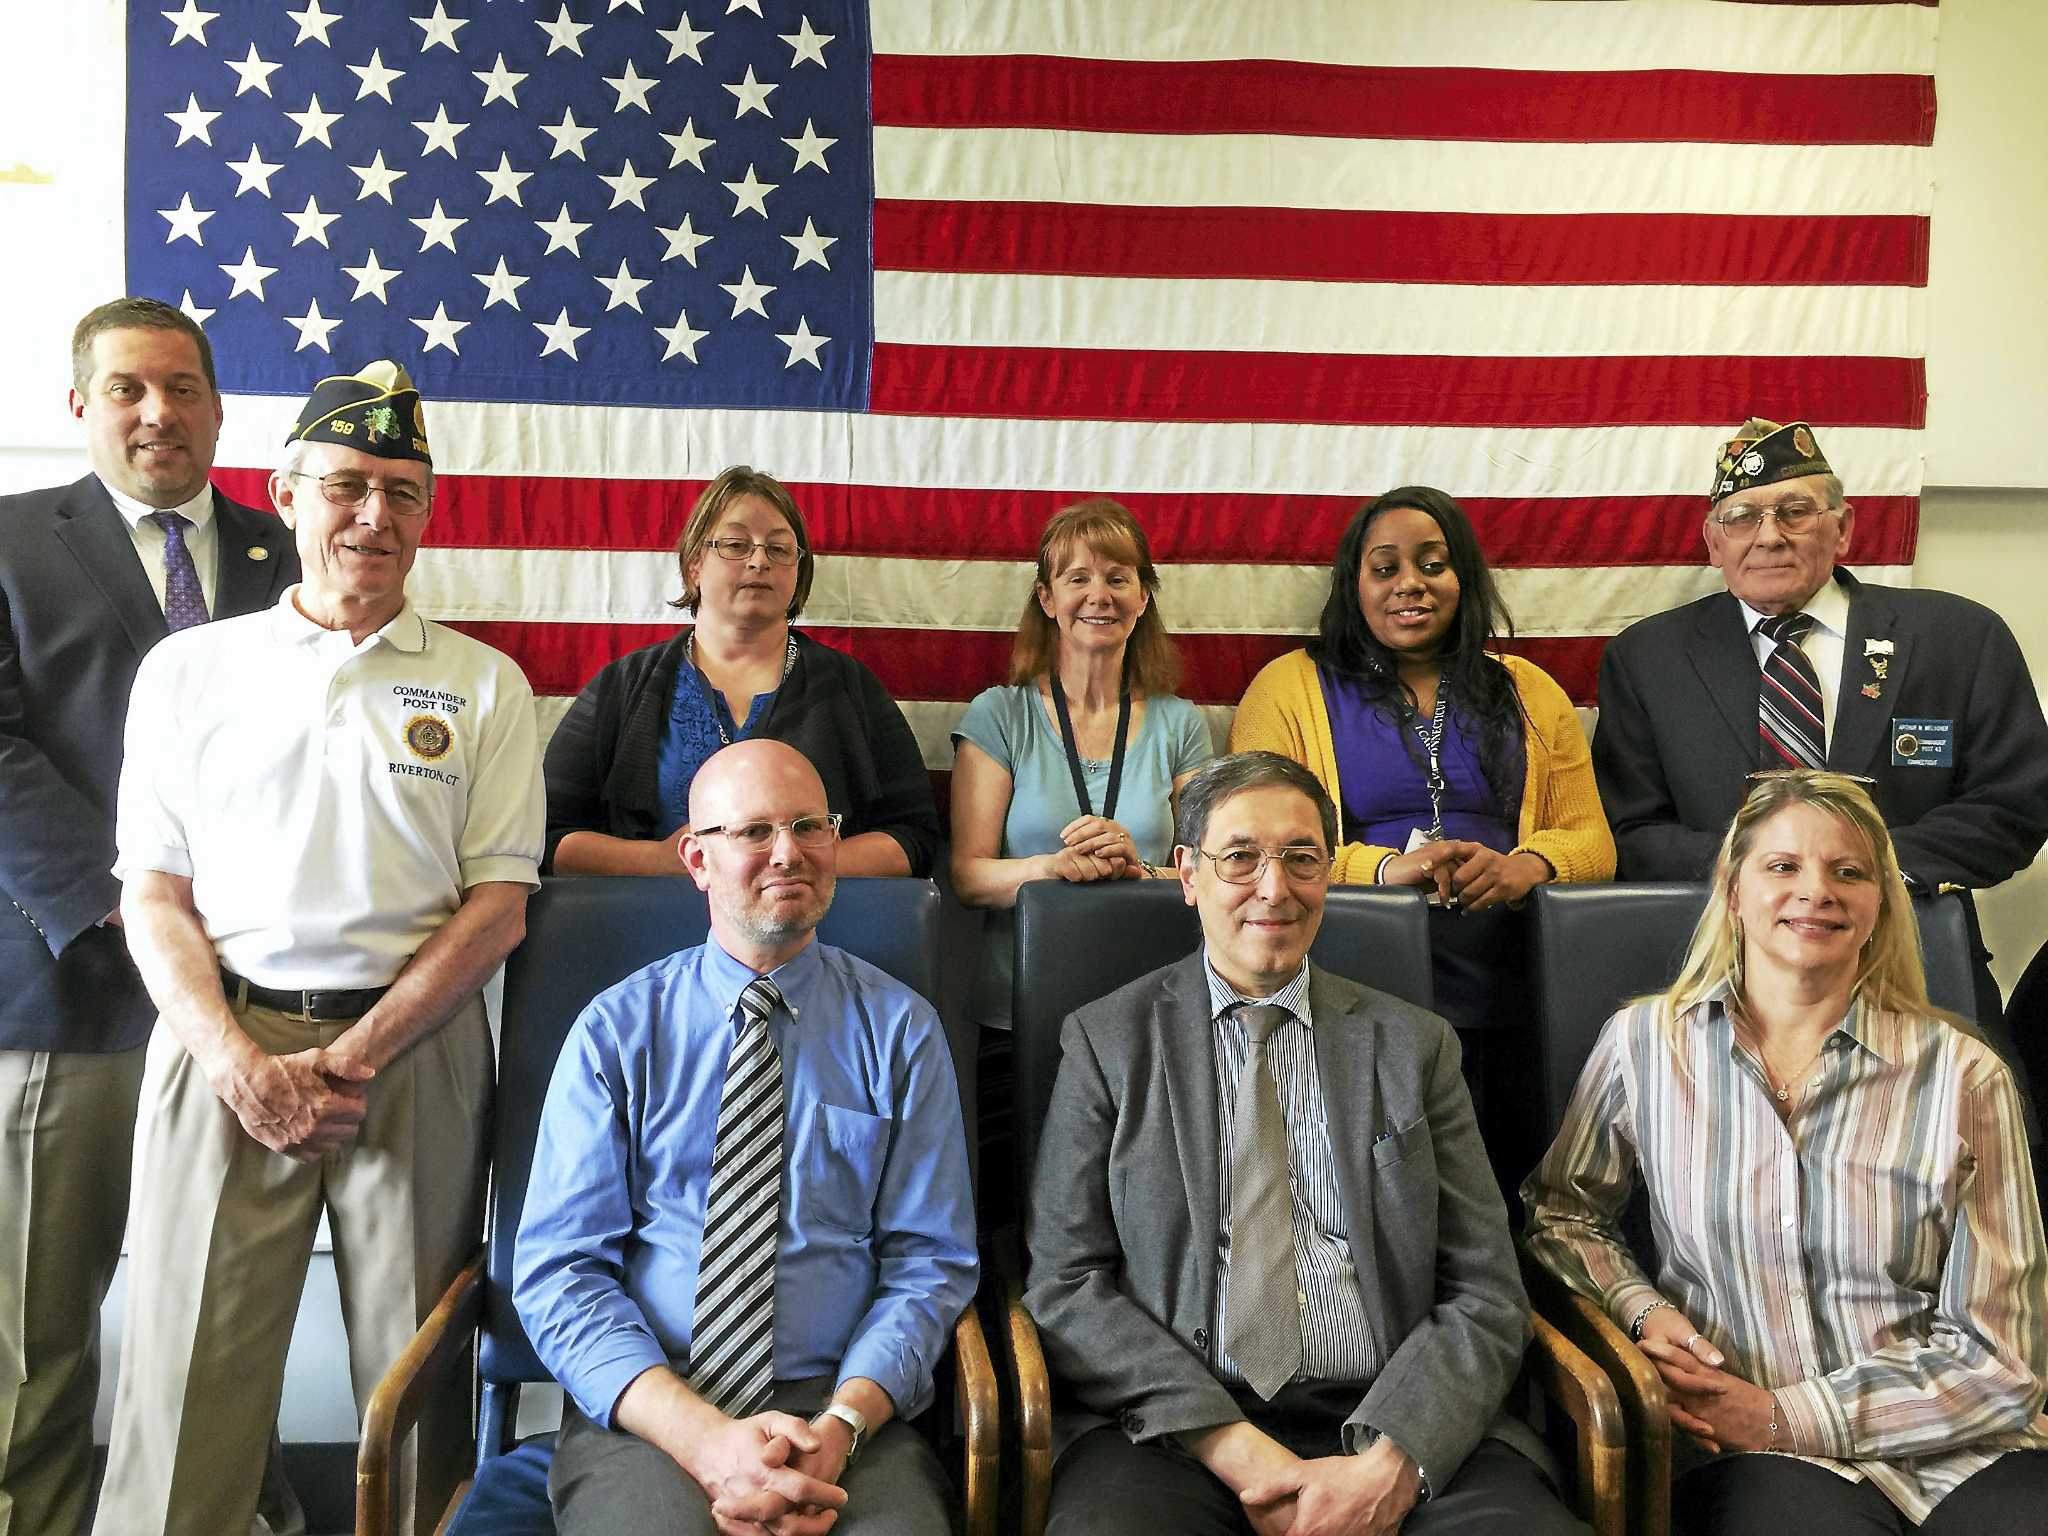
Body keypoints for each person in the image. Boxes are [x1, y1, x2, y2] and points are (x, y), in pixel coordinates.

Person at [95, 361, 544, 1536]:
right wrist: (243, 1065)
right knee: (182, 1380)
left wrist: (350, 1058)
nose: (374, 517)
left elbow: (497, 906)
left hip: (415, 1051)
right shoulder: (190, 671)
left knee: (417, 1385)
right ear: (284, 495)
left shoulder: (485, 686)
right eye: (346, 486)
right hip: (221, 1043)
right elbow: (154, 897)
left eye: (403, 492)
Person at [1026, 751, 1587, 1536]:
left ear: (1330, 872)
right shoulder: (1108, 1042)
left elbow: (1485, 1288)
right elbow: (1066, 1282)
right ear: (1188, 874)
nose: (1273, 887)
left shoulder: (1414, 1046)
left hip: (1399, 1411)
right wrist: (1233, 1446)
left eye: (1300, 858)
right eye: (1240, 858)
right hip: (1173, 1431)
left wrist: (1389, 1463)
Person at [1524, 771, 2048, 1536]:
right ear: (1733, 893)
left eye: (1848, 872)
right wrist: (1641, 1311)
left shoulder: (1967, 1075)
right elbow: (1561, 1213)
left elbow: (2006, 1360)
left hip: (1958, 1442)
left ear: (1879, 904)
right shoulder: (1644, 1045)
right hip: (1745, 1457)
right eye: (1783, 867)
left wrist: (1784, 1416)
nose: (1818, 891)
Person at [0, 296, 298, 1536]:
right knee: (36, 1332)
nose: (156, 412)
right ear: (80, 408)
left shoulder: (292, 557)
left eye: (180, 388)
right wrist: (130, 908)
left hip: (251, 1004)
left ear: (219, 407)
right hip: (72, 991)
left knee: (225, 1325)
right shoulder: (12, 542)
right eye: (126, 389)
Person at [516, 739, 977, 1535]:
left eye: (810, 826)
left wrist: (841, 1428)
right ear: (696, 859)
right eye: (755, 832)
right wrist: (707, 1442)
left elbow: (929, 1263)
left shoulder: (902, 1031)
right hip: (655, 1406)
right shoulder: (617, 1032)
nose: (788, 853)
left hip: (838, 1407)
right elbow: (560, 1272)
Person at [1591, 418, 2048, 1030]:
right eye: (1742, 517)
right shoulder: (1648, 658)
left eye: (1794, 512)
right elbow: (1630, 831)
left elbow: (2015, 803)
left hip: (1916, 968)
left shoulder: (1958, 639)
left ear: (1844, 529)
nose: (1769, 537)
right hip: (1720, 979)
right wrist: (1769, 877)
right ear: (1712, 543)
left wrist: (1861, 872)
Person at [1230, 487, 1613, 1172]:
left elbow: (1593, 840)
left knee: (1504, 1175)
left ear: (1463, 579)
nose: (1410, 583)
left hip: (1511, 974)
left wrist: (1524, 867)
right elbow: (1258, 847)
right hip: (1356, 970)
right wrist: (1383, 873)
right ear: (1355, 584)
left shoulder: (1528, 689)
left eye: (1432, 565)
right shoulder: (1289, 687)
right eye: (1385, 568)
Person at [949, 497, 1212, 1218]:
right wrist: (1050, 870)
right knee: (1019, 1213)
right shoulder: (998, 715)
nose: (1099, 594)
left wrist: (1141, 870)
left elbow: (1210, 871)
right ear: (1047, 598)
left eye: (1119, 577)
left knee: (1143, 1213)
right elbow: (968, 877)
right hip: (1017, 1017)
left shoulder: (1183, 724)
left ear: (1144, 594)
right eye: (1077, 578)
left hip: (1153, 1015)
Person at [543, 465, 939, 879]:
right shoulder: (623, 687)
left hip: (817, 931)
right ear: (695, 564)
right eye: (735, 544)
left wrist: (801, 863)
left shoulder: (850, 686)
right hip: (647, 928)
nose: (759, 561)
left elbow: (915, 837)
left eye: (780, 549)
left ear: (798, 570)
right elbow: (546, 836)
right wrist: (659, 862)